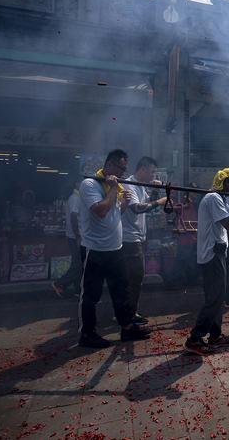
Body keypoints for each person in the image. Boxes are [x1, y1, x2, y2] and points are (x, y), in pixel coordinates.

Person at [77, 149, 149, 348]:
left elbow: (114, 214)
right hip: (95, 249)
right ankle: (87, 333)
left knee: (121, 291)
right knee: (91, 295)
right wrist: (112, 189)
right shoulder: (89, 184)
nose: (123, 174)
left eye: (125, 169)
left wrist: (123, 203)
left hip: (115, 248)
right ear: (109, 165)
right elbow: (100, 210)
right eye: (121, 168)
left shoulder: (114, 187)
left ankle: (126, 328)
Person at [185, 168, 229, 355]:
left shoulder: (220, 199)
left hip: (217, 252)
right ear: (225, 183)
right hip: (212, 254)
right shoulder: (213, 198)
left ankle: (215, 335)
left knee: (217, 297)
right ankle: (194, 338)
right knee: (215, 298)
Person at [121, 156, 167, 323]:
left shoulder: (141, 186)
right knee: (135, 277)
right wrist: (159, 201)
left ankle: (130, 312)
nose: (154, 176)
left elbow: (146, 203)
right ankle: (128, 315)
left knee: (135, 278)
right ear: (143, 169)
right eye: (152, 172)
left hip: (138, 237)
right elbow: (137, 209)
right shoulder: (129, 184)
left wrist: (154, 191)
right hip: (129, 238)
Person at [52, 181, 84, 298]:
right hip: (75, 236)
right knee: (78, 264)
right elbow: (74, 217)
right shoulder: (75, 198)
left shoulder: (77, 197)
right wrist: (77, 235)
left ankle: (78, 290)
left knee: (79, 264)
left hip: (75, 236)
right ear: (76, 184)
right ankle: (60, 283)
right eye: (81, 183)